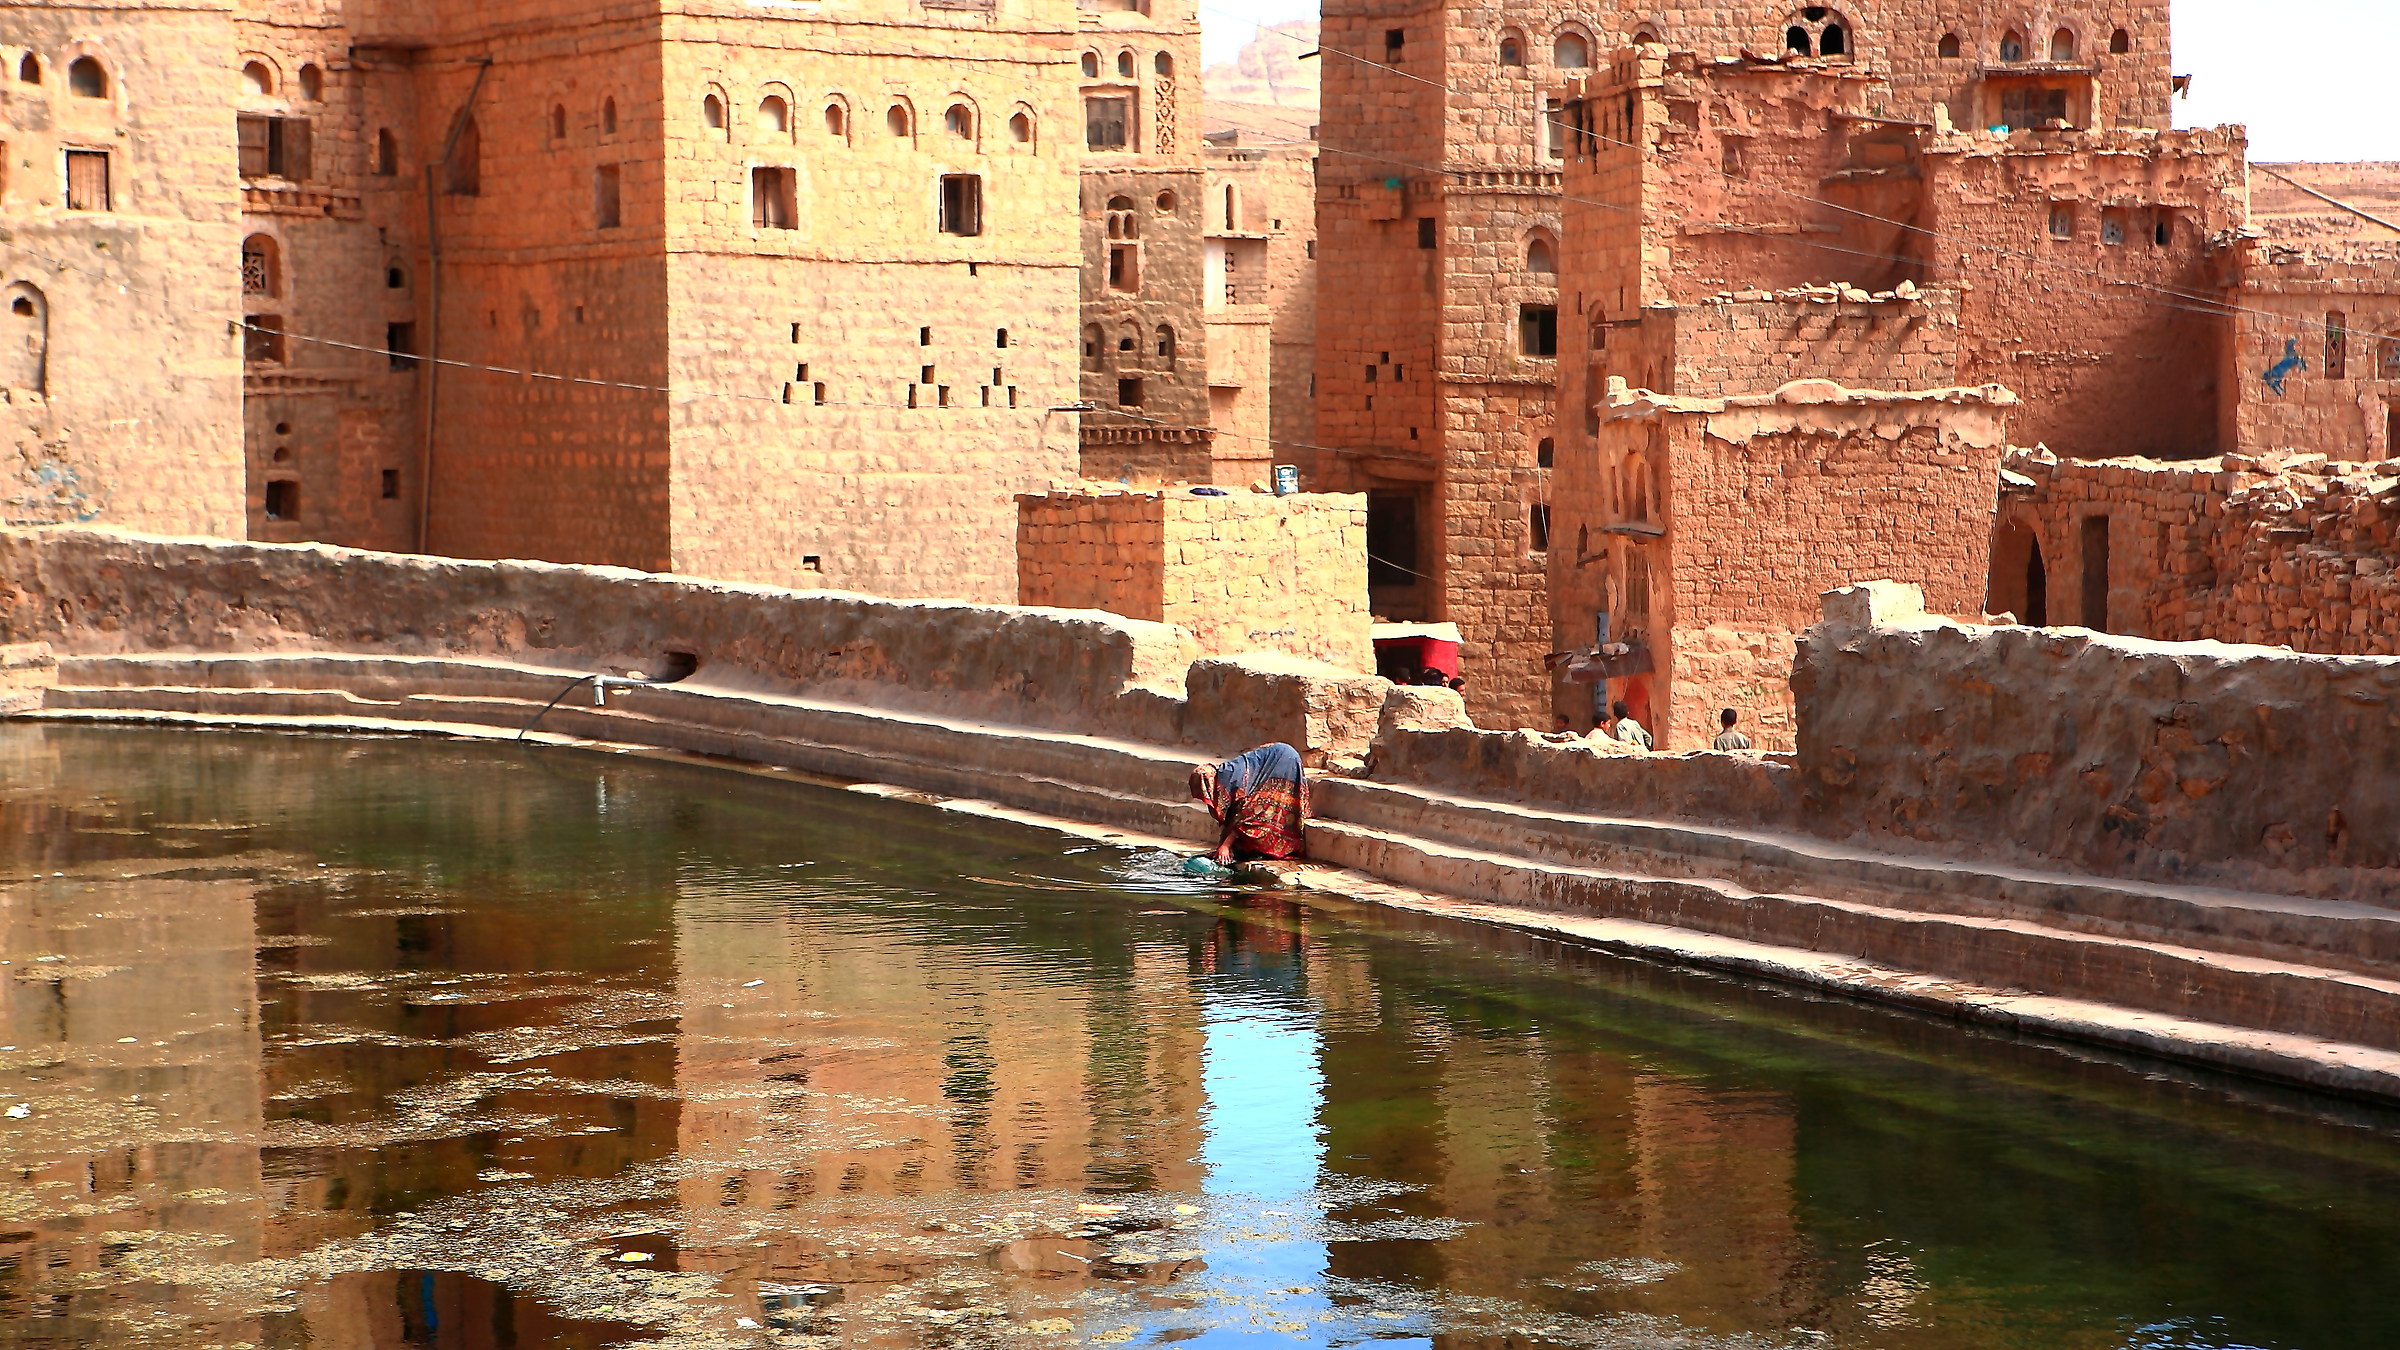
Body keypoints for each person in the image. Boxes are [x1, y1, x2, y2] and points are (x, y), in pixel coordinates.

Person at [1190, 741, 1309, 864]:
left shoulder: (1232, 781)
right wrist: (1221, 847)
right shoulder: (1223, 781)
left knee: (1263, 810)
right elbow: (1232, 815)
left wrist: (1225, 846)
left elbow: (1246, 816)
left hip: (1283, 761)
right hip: (1275, 755)